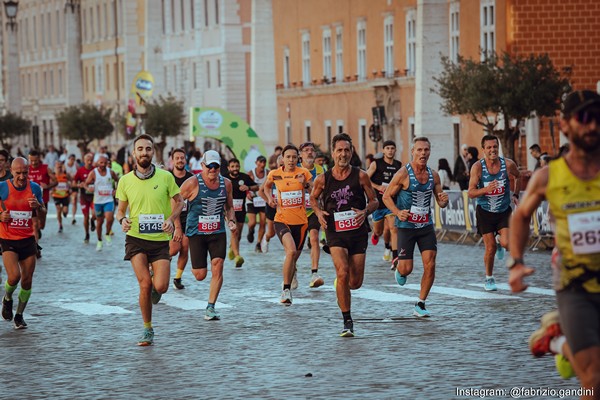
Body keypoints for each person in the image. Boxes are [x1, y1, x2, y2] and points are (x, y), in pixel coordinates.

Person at [508, 90, 600, 398]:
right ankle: (561, 342)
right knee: (595, 381)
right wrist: (516, 263)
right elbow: (520, 217)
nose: (592, 127)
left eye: (598, 119)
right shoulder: (548, 177)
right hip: (577, 286)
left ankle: (559, 341)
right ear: (564, 125)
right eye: (584, 119)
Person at [115, 134, 184, 346]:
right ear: (134, 153)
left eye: (148, 149)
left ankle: (157, 285)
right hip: (136, 238)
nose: (144, 152)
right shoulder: (125, 180)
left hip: (160, 240)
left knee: (161, 287)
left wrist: (172, 219)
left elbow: (179, 201)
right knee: (144, 284)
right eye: (140, 149)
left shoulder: (165, 177)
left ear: (153, 152)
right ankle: (147, 328)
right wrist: (122, 220)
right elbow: (120, 210)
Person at [311, 133, 378, 336]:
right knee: (342, 271)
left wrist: (365, 211)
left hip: (358, 232)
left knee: (355, 283)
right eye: (339, 150)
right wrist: (318, 212)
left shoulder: (361, 175)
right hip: (335, 232)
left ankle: (341, 285)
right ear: (333, 153)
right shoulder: (323, 179)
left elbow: (374, 201)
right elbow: (313, 199)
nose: (343, 154)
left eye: (347, 150)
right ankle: (347, 320)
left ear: (352, 152)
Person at [382, 137, 449, 317]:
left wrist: (443, 202)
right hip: (406, 226)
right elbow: (386, 196)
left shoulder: (433, 175)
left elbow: (440, 200)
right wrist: (397, 212)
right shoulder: (403, 174)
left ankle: (421, 303)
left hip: (425, 226)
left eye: (426, 150)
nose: (423, 153)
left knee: (431, 262)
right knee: (407, 269)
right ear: (412, 151)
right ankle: (399, 268)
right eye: (419, 150)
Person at [179, 150, 237, 320]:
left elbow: (229, 206)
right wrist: (176, 225)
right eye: (209, 166)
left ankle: (210, 307)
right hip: (197, 232)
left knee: (218, 265)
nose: (213, 169)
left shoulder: (226, 184)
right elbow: (175, 203)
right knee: (200, 275)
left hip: (217, 231)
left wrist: (231, 221)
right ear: (202, 166)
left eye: (216, 166)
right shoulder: (191, 183)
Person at [259, 145, 312, 305]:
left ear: (298, 159)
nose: (291, 160)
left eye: (294, 157)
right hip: (282, 219)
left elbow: (316, 191)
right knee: (291, 251)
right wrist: (269, 199)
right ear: (282, 158)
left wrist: (306, 185)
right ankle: (286, 290)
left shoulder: (304, 173)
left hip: (301, 222)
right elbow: (264, 189)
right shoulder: (275, 174)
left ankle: (292, 271)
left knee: (294, 256)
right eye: (288, 157)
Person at [468, 134, 520, 291]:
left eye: (495, 146)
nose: (493, 150)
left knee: (507, 243)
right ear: (483, 149)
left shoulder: (508, 164)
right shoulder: (477, 167)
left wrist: (516, 194)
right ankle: (489, 278)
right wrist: (486, 189)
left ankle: (500, 242)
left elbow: (519, 176)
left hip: (503, 210)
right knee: (490, 248)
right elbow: (470, 192)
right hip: (485, 212)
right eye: (489, 147)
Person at [0, 157, 46, 329]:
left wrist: (38, 206)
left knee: (27, 281)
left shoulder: (34, 188)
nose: (21, 176)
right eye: (18, 173)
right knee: (14, 276)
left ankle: (19, 315)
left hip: (27, 240)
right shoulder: (2, 187)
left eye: (25, 173)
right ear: (11, 171)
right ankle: (7, 298)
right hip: (7, 239)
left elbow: (42, 214)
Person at [367, 140, 402, 263]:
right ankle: (375, 234)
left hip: (391, 202)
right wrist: (378, 187)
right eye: (387, 148)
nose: (390, 150)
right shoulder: (376, 164)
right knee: (379, 230)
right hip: (378, 203)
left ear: (395, 150)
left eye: (392, 148)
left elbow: (401, 182)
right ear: (383, 150)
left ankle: (395, 256)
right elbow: (365, 179)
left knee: (393, 228)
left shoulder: (399, 165)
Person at [299, 141, 325, 288]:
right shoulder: (295, 169)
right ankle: (292, 269)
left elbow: (322, 188)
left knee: (314, 237)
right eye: (306, 150)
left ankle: (314, 273)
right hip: (297, 212)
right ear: (300, 154)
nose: (309, 152)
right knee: (297, 246)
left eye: (312, 150)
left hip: (314, 209)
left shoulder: (320, 170)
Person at [224, 158, 258, 268]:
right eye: (232, 166)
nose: (235, 169)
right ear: (229, 168)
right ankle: (238, 257)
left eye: (237, 166)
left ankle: (232, 248)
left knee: (238, 234)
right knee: (234, 231)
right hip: (228, 209)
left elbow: (256, 186)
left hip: (241, 209)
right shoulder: (224, 178)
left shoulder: (244, 177)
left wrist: (248, 187)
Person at [169, 149, 194, 290]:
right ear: (172, 160)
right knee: (173, 249)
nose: (180, 160)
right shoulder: (167, 178)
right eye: (177, 158)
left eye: (182, 158)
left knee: (185, 247)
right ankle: (157, 265)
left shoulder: (191, 179)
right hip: (169, 218)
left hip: (188, 218)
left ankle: (177, 278)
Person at [85, 154, 119, 251]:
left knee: (109, 218)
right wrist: (88, 188)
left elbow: (118, 181)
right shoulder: (93, 173)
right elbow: (85, 183)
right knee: (99, 222)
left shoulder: (111, 172)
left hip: (108, 200)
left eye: (105, 163)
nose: (103, 164)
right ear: (97, 163)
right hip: (98, 202)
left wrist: (116, 190)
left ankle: (107, 233)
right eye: (101, 162)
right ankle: (99, 241)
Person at [28, 150, 57, 258]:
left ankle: (39, 231)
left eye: (35, 160)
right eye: (31, 160)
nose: (34, 163)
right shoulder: (26, 169)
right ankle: (36, 249)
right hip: (29, 202)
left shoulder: (45, 168)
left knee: (41, 225)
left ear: (39, 158)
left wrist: (48, 186)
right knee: (34, 225)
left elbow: (55, 181)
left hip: (42, 202)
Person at [260, 155, 283, 253]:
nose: (283, 167)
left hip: (285, 207)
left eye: (284, 164)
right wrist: (269, 200)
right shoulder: (272, 175)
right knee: (271, 232)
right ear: (277, 165)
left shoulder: (292, 175)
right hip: (272, 206)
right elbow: (261, 191)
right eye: (281, 165)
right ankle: (266, 238)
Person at [246, 155, 268, 253]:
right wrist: (247, 194)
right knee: (252, 222)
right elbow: (245, 185)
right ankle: (251, 230)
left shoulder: (268, 173)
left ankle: (258, 243)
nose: (262, 165)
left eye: (264, 162)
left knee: (263, 222)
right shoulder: (251, 173)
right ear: (256, 163)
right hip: (252, 200)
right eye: (260, 162)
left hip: (263, 200)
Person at [73, 153, 96, 243]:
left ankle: (93, 220)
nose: (90, 162)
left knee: (95, 214)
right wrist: (80, 185)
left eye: (91, 160)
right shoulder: (80, 171)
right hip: (84, 197)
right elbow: (73, 183)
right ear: (84, 161)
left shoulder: (95, 170)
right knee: (85, 216)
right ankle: (87, 234)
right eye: (88, 160)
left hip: (94, 196)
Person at [51, 161, 71, 233]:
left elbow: (71, 181)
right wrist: (51, 188)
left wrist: (70, 187)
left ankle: (64, 212)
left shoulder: (66, 175)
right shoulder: (53, 175)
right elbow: (50, 183)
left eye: (60, 167)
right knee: (58, 210)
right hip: (56, 195)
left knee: (65, 211)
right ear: (55, 167)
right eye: (57, 167)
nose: (59, 168)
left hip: (65, 195)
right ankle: (60, 224)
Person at [64, 154, 79, 225]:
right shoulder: (65, 166)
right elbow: (62, 175)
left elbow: (79, 174)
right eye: (71, 159)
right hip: (66, 185)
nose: (72, 161)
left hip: (74, 184)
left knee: (74, 200)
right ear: (68, 159)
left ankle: (73, 217)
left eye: (74, 159)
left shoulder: (76, 165)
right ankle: (65, 211)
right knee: (66, 200)